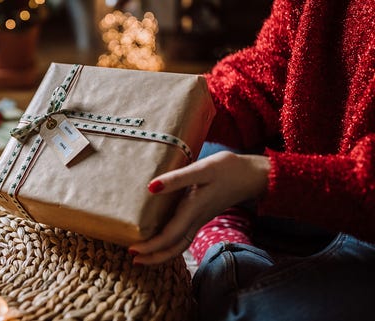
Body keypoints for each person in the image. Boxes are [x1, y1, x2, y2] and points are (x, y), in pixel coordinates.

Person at [128, 0, 375, 320]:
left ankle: (223, 237)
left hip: (360, 210)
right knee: (197, 144)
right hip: (317, 174)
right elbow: (272, 65)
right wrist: (183, 106)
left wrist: (263, 177)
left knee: (249, 309)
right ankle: (225, 213)